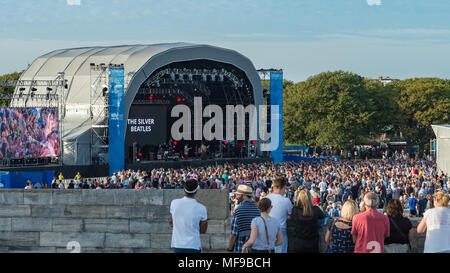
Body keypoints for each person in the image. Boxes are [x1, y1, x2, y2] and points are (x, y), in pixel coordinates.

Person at [169, 179, 208, 253]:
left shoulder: (174, 203)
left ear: (184, 189)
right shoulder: (202, 208)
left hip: (178, 244)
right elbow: (203, 230)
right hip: (194, 245)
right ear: (196, 191)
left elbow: (173, 222)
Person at [227, 184, 260, 253]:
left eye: (238, 195)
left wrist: (229, 249)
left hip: (241, 248)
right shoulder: (257, 210)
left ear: (244, 195)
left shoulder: (239, 211)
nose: (236, 197)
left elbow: (234, 234)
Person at [265, 177, 292, 253]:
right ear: (283, 188)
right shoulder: (286, 201)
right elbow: (290, 216)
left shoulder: (266, 198)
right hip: (281, 230)